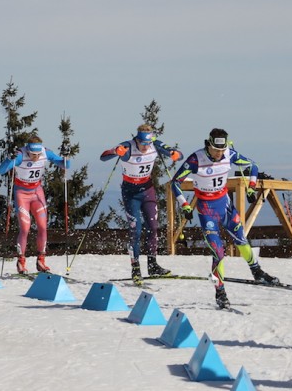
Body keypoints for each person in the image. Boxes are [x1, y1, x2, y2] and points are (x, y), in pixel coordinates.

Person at [171, 128, 279, 310]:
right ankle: (220, 292)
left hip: (225, 205)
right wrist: (185, 205)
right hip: (206, 209)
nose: (219, 154)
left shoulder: (229, 154)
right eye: (216, 150)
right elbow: (175, 182)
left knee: (241, 240)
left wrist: (251, 187)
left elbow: (252, 166)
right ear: (209, 145)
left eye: (222, 150)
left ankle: (257, 271)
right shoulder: (196, 159)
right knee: (218, 251)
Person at [100, 124, 183, 282]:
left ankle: (152, 264)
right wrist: (115, 152)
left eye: (148, 144)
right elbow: (103, 157)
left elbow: (178, 154)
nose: (146, 147)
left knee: (153, 226)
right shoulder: (128, 146)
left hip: (147, 189)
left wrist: (175, 154)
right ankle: (135, 267)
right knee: (136, 230)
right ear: (137, 140)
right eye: (143, 144)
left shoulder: (155, 144)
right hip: (130, 192)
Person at [0, 136, 69, 274]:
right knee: (25, 228)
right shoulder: (20, 156)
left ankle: (41, 260)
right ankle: (21, 261)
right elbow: (1, 171)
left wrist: (66, 156)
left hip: (37, 192)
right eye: (32, 155)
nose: (35, 158)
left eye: (37, 155)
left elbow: (65, 165)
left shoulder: (45, 152)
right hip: (21, 193)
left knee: (43, 226)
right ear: (27, 151)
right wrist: (9, 158)